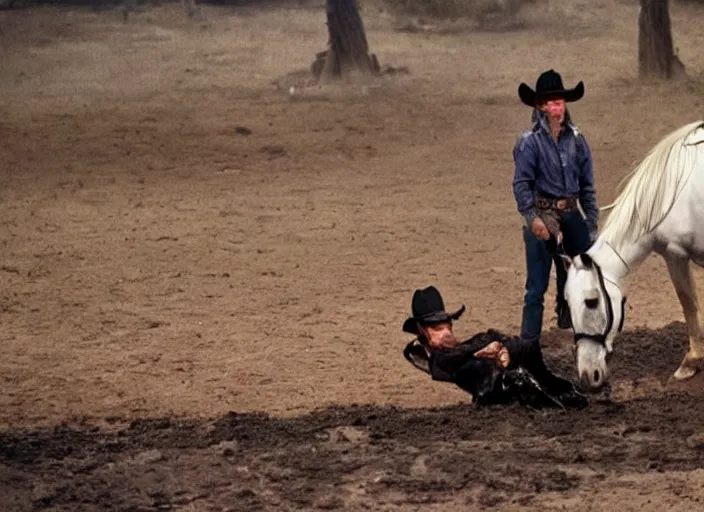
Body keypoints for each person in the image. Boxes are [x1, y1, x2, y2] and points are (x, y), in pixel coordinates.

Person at [512, 69, 598, 353]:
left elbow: (587, 187)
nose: (556, 106)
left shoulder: (576, 139)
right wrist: (532, 218)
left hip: (572, 214)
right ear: (540, 106)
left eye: (559, 101)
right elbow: (521, 184)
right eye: (550, 102)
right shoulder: (529, 142)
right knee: (536, 287)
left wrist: (592, 227)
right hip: (542, 215)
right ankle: (529, 348)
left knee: (585, 277)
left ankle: (586, 336)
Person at [402, 286, 587, 409]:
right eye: (437, 328)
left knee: (529, 349)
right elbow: (452, 357)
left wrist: (495, 343)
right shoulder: (438, 360)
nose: (447, 333)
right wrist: (492, 344)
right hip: (500, 386)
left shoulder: (452, 352)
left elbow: (481, 342)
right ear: (422, 330)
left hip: (506, 371)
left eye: (447, 326)